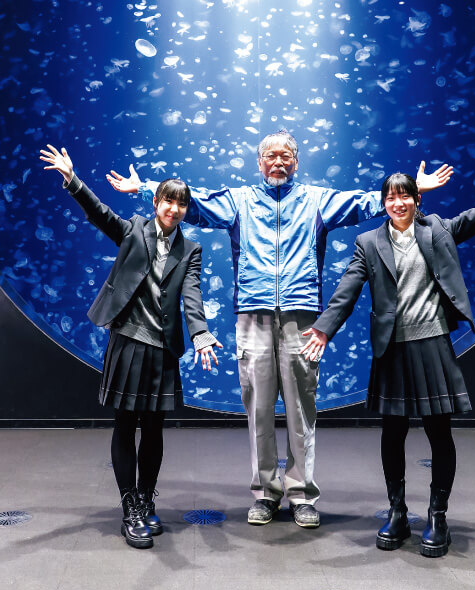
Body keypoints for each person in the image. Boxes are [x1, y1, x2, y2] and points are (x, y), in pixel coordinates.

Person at [106, 129, 453, 528]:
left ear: (296, 162)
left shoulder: (317, 200)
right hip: (252, 316)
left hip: (301, 319)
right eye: (270, 156)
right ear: (259, 162)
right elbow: (192, 201)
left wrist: (412, 188)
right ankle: (265, 494)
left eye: (285, 155)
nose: (278, 162)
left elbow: (365, 202)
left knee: (302, 410)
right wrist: (144, 187)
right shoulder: (239, 200)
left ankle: (302, 494)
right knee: (258, 410)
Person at [301, 169, 475, 556]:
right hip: (392, 348)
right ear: (384, 203)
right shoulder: (368, 242)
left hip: (432, 343)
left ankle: (437, 515)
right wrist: (325, 328)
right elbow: (347, 288)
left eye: (405, 196)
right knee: (392, 433)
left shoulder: (439, 230)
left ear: (417, 200)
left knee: (439, 432)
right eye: (391, 197)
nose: (398, 203)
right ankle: (397, 512)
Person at [40, 144, 221, 549]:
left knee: (154, 429)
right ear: (156, 203)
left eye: (181, 204)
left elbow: (192, 295)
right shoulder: (135, 229)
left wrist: (200, 333)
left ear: (185, 210)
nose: (173, 209)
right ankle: (129, 509)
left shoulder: (190, 250)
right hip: (128, 341)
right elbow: (101, 213)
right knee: (125, 425)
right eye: (168, 201)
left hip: (162, 348)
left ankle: (145, 500)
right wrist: (72, 179)